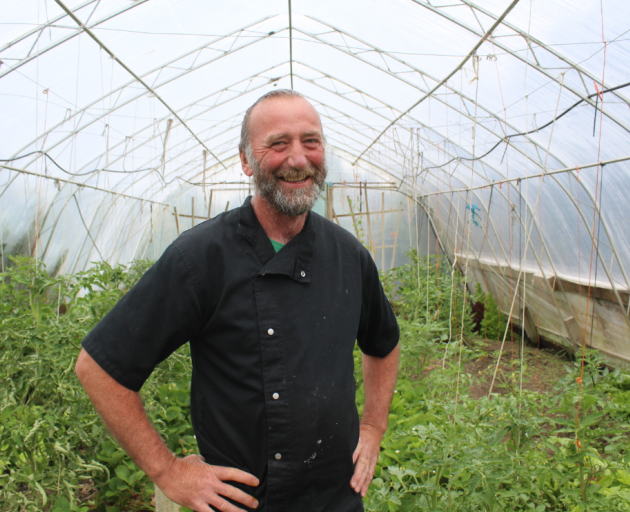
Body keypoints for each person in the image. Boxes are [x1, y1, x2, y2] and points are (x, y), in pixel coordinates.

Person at [75, 89, 400, 512]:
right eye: (278, 144)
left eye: (311, 141)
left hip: (335, 497)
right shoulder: (201, 258)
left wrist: (373, 426)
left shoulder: (348, 254)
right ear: (246, 160)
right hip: (241, 502)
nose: (298, 158)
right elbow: (99, 367)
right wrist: (167, 470)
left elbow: (383, 344)